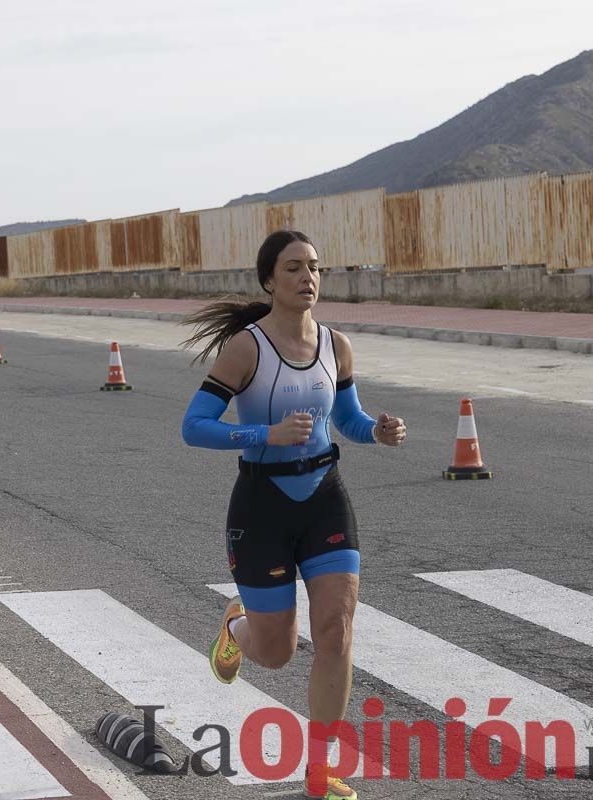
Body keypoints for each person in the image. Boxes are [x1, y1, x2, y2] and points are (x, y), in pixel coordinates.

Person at [180, 230, 406, 800]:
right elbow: (194, 426)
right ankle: (237, 626)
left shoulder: (337, 345)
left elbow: (346, 421)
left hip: (325, 495)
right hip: (261, 505)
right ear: (267, 281)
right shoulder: (246, 349)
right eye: (293, 268)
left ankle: (319, 770)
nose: (308, 277)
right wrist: (265, 433)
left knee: (336, 630)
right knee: (276, 653)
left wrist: (376, 432)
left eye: (314, 267)